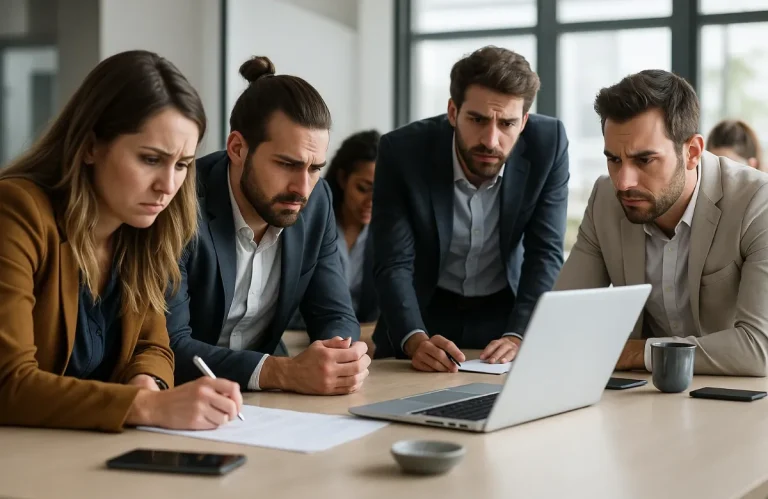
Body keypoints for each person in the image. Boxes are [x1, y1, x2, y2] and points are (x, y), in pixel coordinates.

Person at [0, 50, 243, 432]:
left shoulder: (142, 231)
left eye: (181, 165)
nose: (168, 186)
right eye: (150, 159)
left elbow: (153, 346)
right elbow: (8, 383)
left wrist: (147, 384)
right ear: (90, 145)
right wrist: (146, 406)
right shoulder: (16, 212)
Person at [166, 56, 370, 395]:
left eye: (315, 168)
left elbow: (335, 312)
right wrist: (281, 372)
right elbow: (169, 345)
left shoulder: (317, 201)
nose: (302, 188)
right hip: (187, 397)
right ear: (237, 148)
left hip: (271, 404)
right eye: (287, 164)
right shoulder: (180, 200)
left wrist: (341, 356)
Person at [555, 69, 768, 376]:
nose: (624, 182)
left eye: (644, 160)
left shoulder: (756, 202)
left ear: (692, 152)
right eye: (614, 159)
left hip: (738, 396)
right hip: (642, 397)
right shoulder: (605, 198)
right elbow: (564, 323)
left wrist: (636, 352)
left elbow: (758, 348)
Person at [371, 46, 570, 372]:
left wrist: (520, 334)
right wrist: (413, 338)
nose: (490, 140)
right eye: (477, 120)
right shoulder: (403, 152)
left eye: (506, 123)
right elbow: (392, 261)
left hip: (506, 315)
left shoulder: (549, 144)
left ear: (523, 122)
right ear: (453, 112)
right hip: (423, 311)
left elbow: (545, 253)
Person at [287, 130, 381, 331]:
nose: (371, 202)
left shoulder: (387, 233)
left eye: (381, 191)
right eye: (363, 188)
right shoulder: (310, 222)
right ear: (343, 179)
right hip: (303, 335)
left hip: (364, 340)